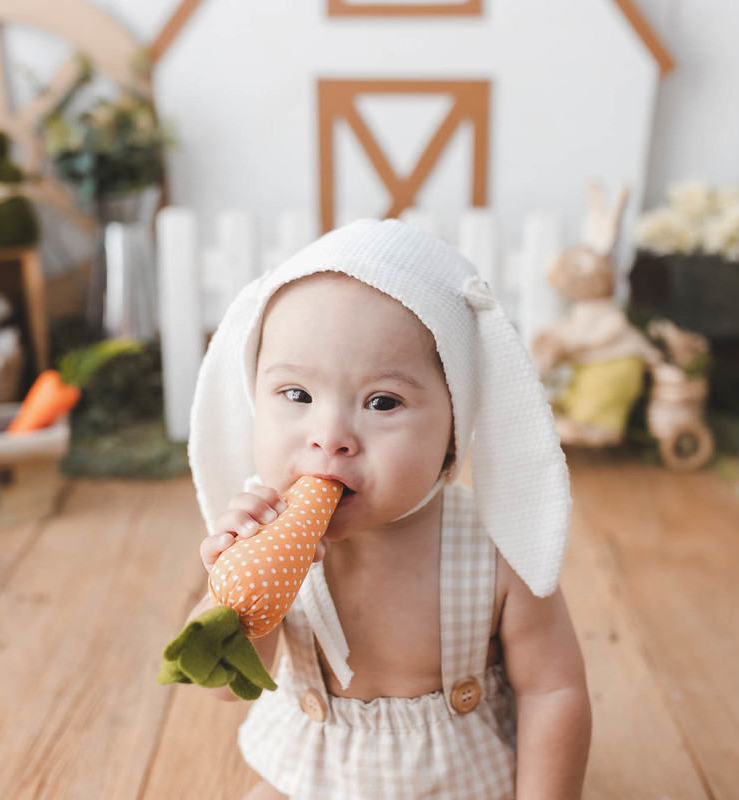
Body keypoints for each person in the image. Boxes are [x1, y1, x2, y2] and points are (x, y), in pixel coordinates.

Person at [185, 218, 591, 799]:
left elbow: (553, 691)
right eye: (296, 394)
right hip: (312, 777)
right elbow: (226, 689)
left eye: (382, 401)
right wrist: (232, 590)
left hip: (463, 782)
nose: (330, 436)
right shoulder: (264, 537)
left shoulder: (497, 550)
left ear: (454, 428)